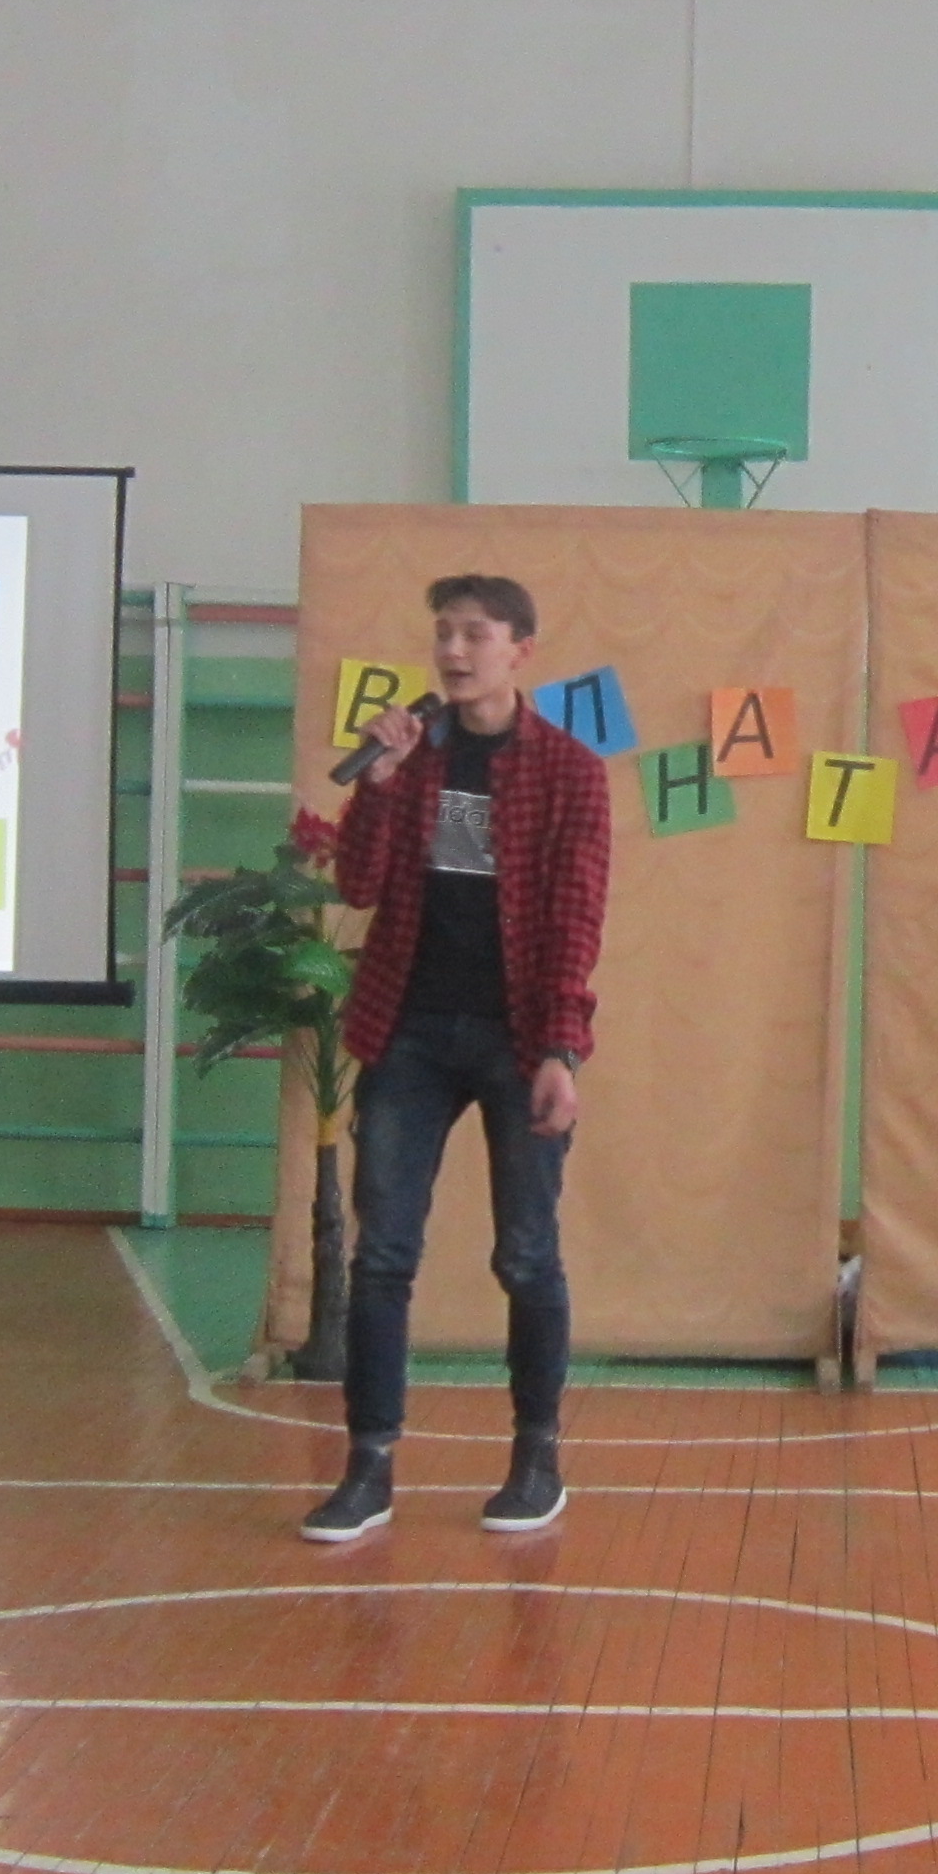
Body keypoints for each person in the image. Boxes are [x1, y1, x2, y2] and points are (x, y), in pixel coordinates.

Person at [309, 573, 612, 1545]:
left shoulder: (568, 771)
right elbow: (360, 884)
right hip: (408, 1029)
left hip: (516, 1036)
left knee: (525, 1253)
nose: (452, 651)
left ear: (521, 650)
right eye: (443, 632)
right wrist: (382, 786)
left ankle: (535, 1459)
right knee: (383, 1254)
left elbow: (574, 919)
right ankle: (368, 1467)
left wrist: (560, 1048)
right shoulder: (417, 756)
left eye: (474, 634)